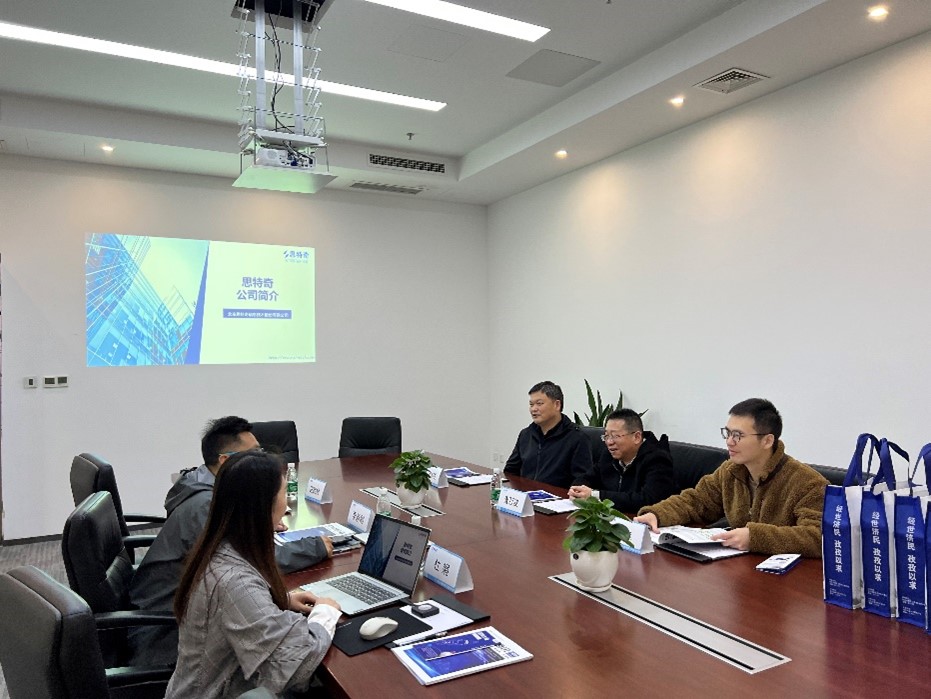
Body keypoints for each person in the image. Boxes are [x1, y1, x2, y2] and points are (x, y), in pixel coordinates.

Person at [129, 416, 332, 665]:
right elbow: (248, 561)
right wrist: (315, 552)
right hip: (166, 633)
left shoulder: (200, 485)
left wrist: (282, 599)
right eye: (253, 454)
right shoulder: (206, 506)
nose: (259, 459)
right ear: (226, 461)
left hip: (185, 611)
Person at [165, 450, 341, 698]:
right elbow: (296, 665)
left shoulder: (221, 546)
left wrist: (279, 599)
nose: (286, 505)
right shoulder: (235, 581)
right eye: (283, 494)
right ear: (264, 506)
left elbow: (232, 607)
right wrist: (325, 613)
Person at [634, 398, 828, 558]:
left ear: (767, 440)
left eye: (738, 435)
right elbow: (696, 501)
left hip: (787, 580)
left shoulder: (807, 483)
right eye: (727, 433)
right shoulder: (730, 471)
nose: (729, 441)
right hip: (741, 569)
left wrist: (755, 537)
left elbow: (819, 536)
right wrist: (657, 514)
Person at [568, 408, 676, 512]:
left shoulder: (658, 459)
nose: (609, 442)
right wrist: (577, 490)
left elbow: (648, 500)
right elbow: (587, 477)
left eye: (615, 436)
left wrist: (596, 496)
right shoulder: (609, 455)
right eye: (606, 436)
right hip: (611, 517)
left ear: (637, 437)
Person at [504, 381, 592, 489]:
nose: (533, 409)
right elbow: (510, 471)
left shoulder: (577, 438)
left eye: (539, 403)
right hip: (525, 495)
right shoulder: (526, 434)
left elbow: (582, 482)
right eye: (531, 404)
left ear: (557, 405)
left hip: (557, 498)